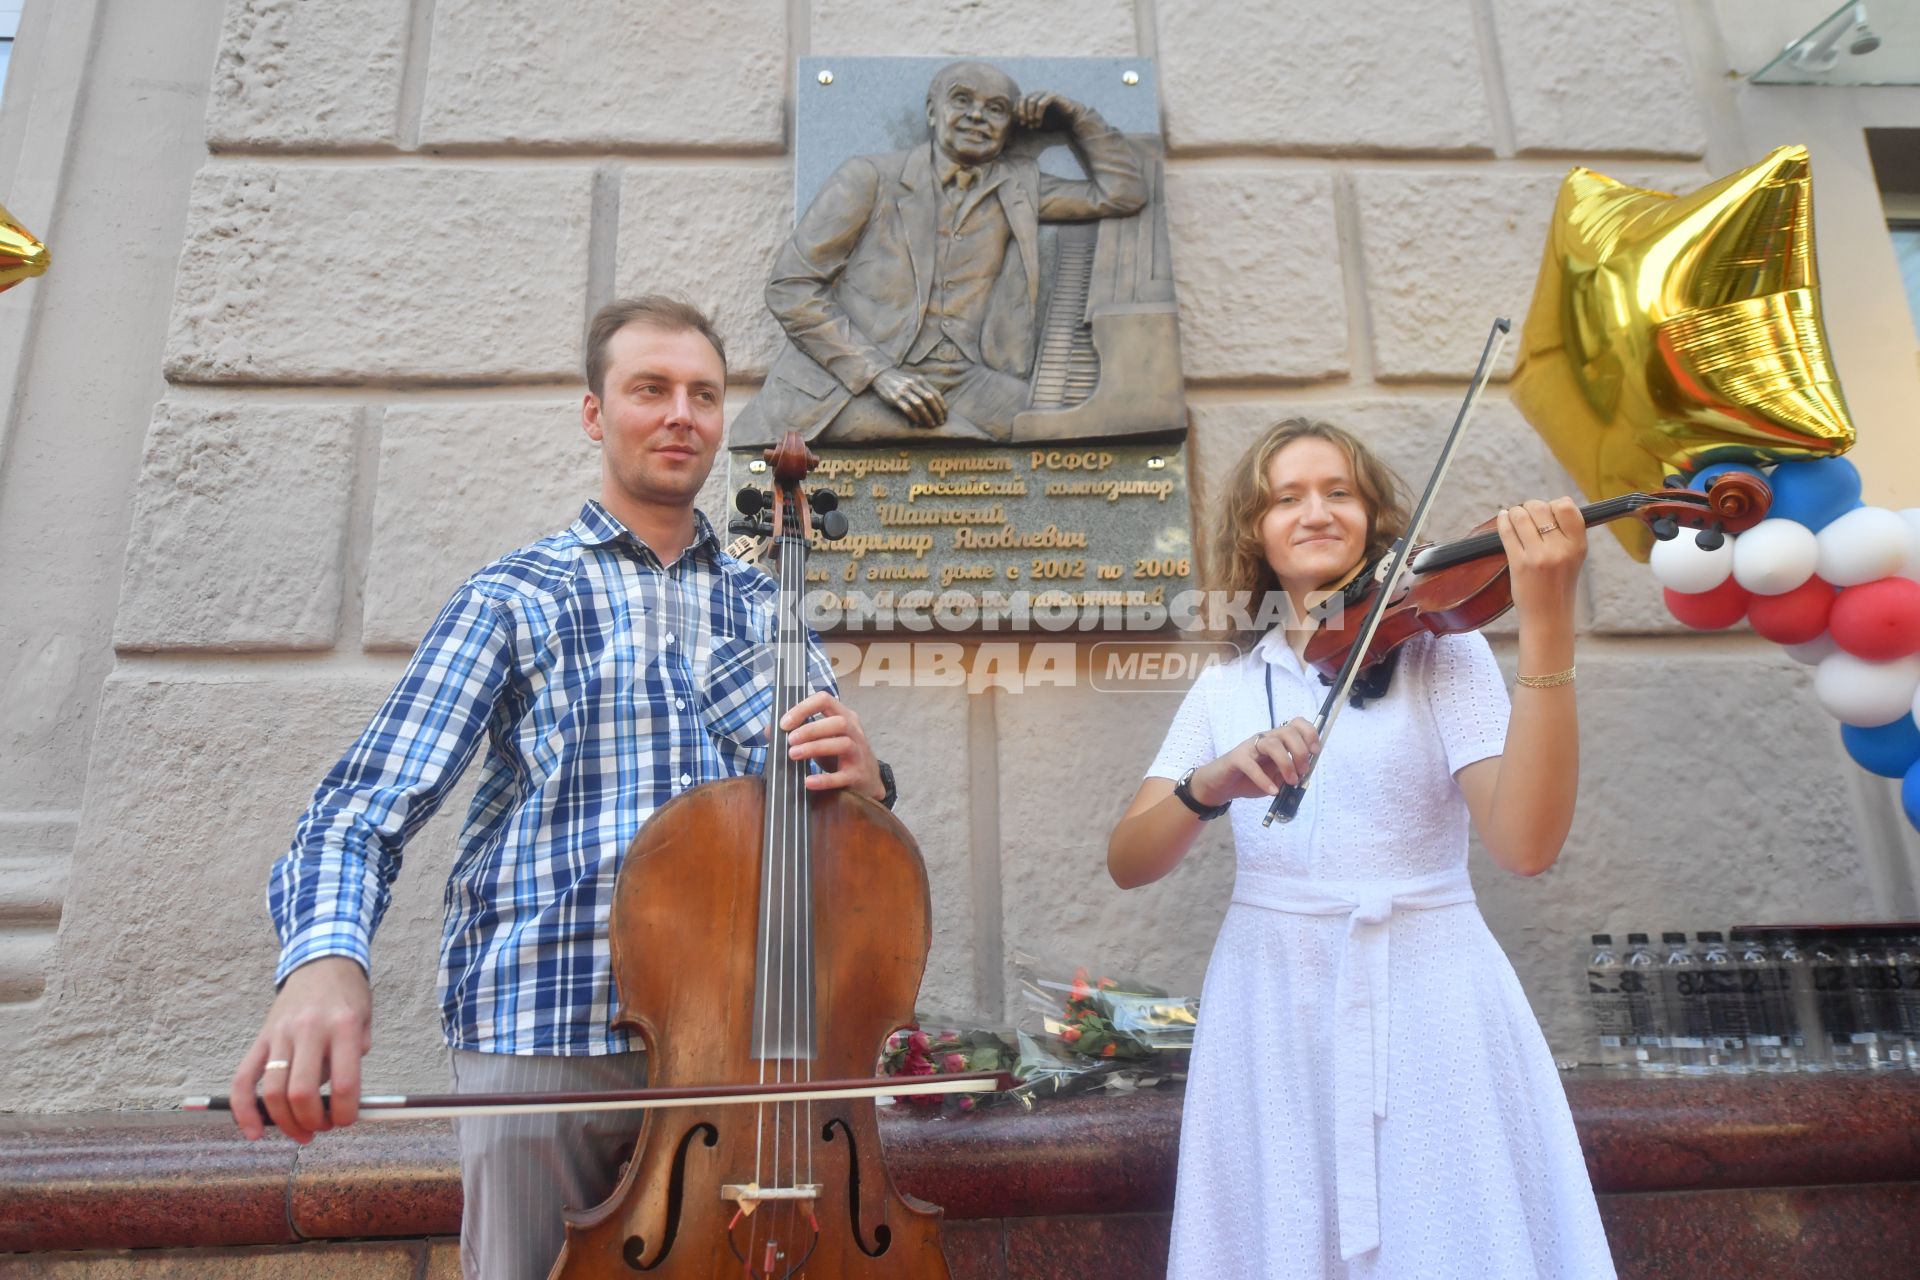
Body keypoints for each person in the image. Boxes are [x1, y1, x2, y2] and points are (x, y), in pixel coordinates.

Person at [225, 296, 896, 1280]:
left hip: (740, 1051)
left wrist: (871, 786)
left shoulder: (771, 603)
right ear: (595, 413)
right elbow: (359, 810)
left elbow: (838, 841)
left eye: (703, 394)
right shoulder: (517, 593)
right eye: (650, 389)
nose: (681, 413)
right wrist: (325, 963)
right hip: (547, 1032)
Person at [1107, 418, 1615, 1278]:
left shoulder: (1441, 660)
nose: (1316, 511)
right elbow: (1129, 859)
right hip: (1272, 1001)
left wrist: (1548, 622)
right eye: (1287, 498)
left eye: (1340, 491)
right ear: (1254, 534)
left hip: (1430, 988)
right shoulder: (1229, 686)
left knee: (1448, 1229)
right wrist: (1210, 786)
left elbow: (1525, 845)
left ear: (1375, 521)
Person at [731, 59, 1149, 447]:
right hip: (857, 382)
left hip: (966, 378)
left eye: (997, 108)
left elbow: (1124, 195)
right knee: (960, 441)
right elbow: (791, 287)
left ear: (1010, 128)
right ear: (932, 111)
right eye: (962, 100)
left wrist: (1077, 117)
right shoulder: (869, 177)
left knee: (1071, 430)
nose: (977, 116)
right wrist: (878, 372)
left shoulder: (1019, 187)